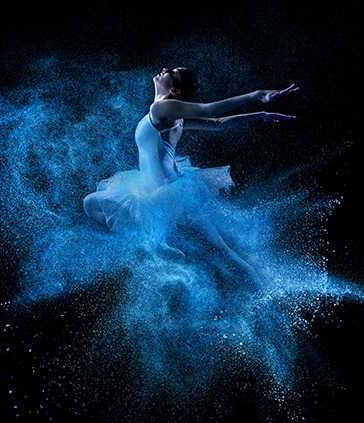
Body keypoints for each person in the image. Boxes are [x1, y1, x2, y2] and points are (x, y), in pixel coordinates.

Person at [83, 67, 298, 290]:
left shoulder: (162, 108)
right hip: (155, 191)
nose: (166, 69)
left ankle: (265, 294)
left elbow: (209, 111)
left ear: (174, 90)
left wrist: (256, 95)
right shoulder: (170, 113)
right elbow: (218, 124)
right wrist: (261, 115)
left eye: (173, 73)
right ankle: (159, 247)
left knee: (223, 254)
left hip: (169, 195)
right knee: (92, 203)